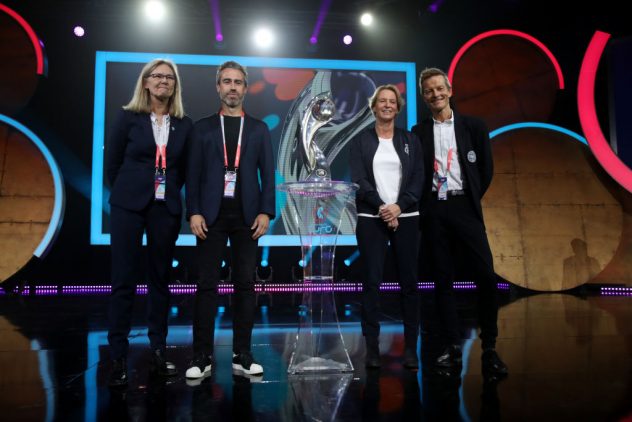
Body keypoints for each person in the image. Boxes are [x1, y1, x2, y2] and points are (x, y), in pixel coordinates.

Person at [411, 67, 508, 377]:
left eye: (440, 88)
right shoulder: (418, 132)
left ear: (450, 90)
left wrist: (468, 197)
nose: (435, 94)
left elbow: (486, 171)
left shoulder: (473, 126)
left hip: (464, 205)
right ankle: (452, 347)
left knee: (485, 275)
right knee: (442, 280)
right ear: (424, 97)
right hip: (434, 210)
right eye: (429, 91)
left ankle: (490, 347)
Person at [185, 61, 275, 379]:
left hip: (248, 217)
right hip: (209, 216)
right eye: (227, 82)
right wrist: (193, 211)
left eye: (238, 82)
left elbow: (268, 174)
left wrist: (266, 212)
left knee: (245, 286)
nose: (233, 87)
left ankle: (243, 354)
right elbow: (192, 175)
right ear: (218, 87)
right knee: (206, 285)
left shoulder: (260, 129)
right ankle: (201, 357)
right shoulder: (202, 128)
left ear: (246, 88)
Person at [106, 58, 193, 387]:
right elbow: (113, 163)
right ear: (145, 83)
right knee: (123, 280)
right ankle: (118, 356)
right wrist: (130, 190)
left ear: (175, 86)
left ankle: (158, 350)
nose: (163, 81)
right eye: (157, 76)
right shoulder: (128, 117)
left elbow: (183, 169)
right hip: (128, 205)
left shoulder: (184, 124)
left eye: (169, 78)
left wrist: (167, 192)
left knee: (160, 280)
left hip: (164, 206)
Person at [350, 85, 424, 369]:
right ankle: (371, 349)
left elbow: (418, 177)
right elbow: (359, 180)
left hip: (406, 216)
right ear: (374, 106)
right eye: (382, 101)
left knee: (409, 284)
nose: (387, 105)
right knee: (371, 282)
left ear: (398, 106)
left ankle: (410, 350)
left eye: (392, 101)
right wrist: (383, 206)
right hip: (372, 218)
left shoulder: (410, 140)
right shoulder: (360, 141)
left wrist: (399, 206)